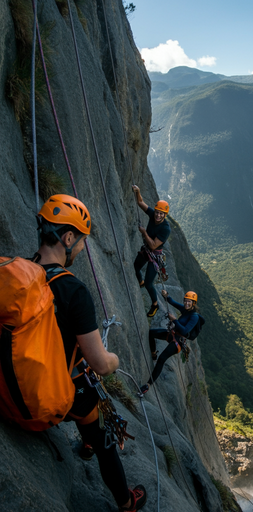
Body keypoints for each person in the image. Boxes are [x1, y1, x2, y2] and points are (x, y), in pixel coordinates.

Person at [34, 194, 147, 512]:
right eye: (81, 241)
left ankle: (84, 440)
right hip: (59, 391)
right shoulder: (74, 291)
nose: (82, 248)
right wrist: (115, 359)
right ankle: (126, 502)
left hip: (24, 372)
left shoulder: (23, 274)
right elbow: (100, 362)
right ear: (67, 238)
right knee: (105, 440)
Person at [140, 290, 199, 394]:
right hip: (172, 335)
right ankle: (153, 354)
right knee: (151, 333)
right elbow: (172, 302)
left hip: (177, 342)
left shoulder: (194, 316)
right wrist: (166, 295)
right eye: (185, 301)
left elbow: (184, 331)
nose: (186, 303)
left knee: (162, 359)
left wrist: (174, 320)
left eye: (189, 301)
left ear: (193, 304)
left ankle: (148, 384)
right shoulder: (185, 309)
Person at [132, 185, 171, 317]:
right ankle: (140, 282)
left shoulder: (166, 229)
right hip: (146, 250)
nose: (158, 215)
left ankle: (154, 304)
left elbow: (154, 245)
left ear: (165, 215)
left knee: (150, 283)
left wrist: (144, 233)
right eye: (157, 212)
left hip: (155, 255)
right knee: (136, 267)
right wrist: (138, 191)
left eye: (161, 214)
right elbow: (140, 202)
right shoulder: (153, 215)